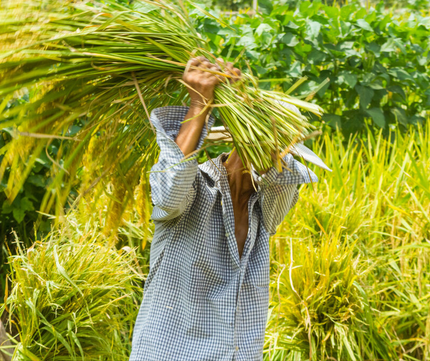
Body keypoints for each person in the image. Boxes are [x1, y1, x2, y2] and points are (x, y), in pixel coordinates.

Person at [129, 56, 318, 361]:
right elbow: (168, 190)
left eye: (282, 149)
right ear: (243, 138)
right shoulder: (195, 188)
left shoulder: (265, 210)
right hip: (170, 352)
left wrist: (247, 107)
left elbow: (287, 181)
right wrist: (199, 106)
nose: (276, 155)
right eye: (272, 141)